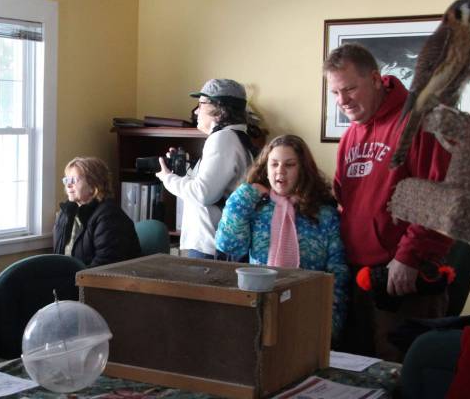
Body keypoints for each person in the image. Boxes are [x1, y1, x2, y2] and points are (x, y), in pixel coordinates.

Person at [324, 43, 453, 361]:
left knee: (399, 376)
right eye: (335, 93)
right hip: (357, 277)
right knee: (353, 372)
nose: (343, 101)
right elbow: (345, 200)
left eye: (350, 89)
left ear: (376, 79)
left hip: (403, 278)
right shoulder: (351, 136)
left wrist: (409, 257)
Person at [216, 134, 349, 342]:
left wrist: (330, 325)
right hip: (258, 312)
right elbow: (229, 244)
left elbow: (338, 273)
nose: (280, 171)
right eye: (274, 164)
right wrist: (244, 196)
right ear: (265, 168)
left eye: (289, 165)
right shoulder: (256, 206)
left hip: (308, 314)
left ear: (302, 169)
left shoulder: (324, 213)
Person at [156, 78, 255, 259]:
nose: (195, 111)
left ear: (220, 110)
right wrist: (182, 170)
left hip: (209, 246)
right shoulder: (237, 137)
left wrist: (167, 177)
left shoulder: (222, 139)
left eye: (201, 104)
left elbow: (203, 194)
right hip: (215, 244)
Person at [53, 156, 141, 267]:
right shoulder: (65, 213)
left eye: (74, 180)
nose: (68, 185)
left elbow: (104, 266)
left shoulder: (110, 217)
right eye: (67, 180)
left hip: (96, 281)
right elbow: (58, 256)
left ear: (93, 186)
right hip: (69, 279)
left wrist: (69, 281)